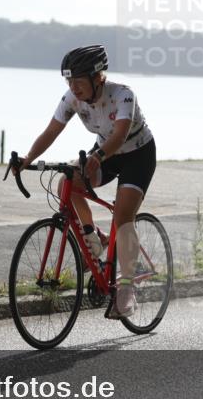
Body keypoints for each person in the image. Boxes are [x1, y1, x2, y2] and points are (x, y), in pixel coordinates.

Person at [14, 45, 156, 319]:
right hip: (104, 153)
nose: (74, 87)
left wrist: (98, 156)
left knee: (123, 216)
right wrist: (28, 157)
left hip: (137, 154)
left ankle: (126, 288)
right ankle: (94, 239)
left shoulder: (123, 95)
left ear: (98, 77)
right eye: (69, 81)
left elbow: (120, 134)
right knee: (67, 183)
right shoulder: (71, 99)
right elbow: (51, 131)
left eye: (79, 81)